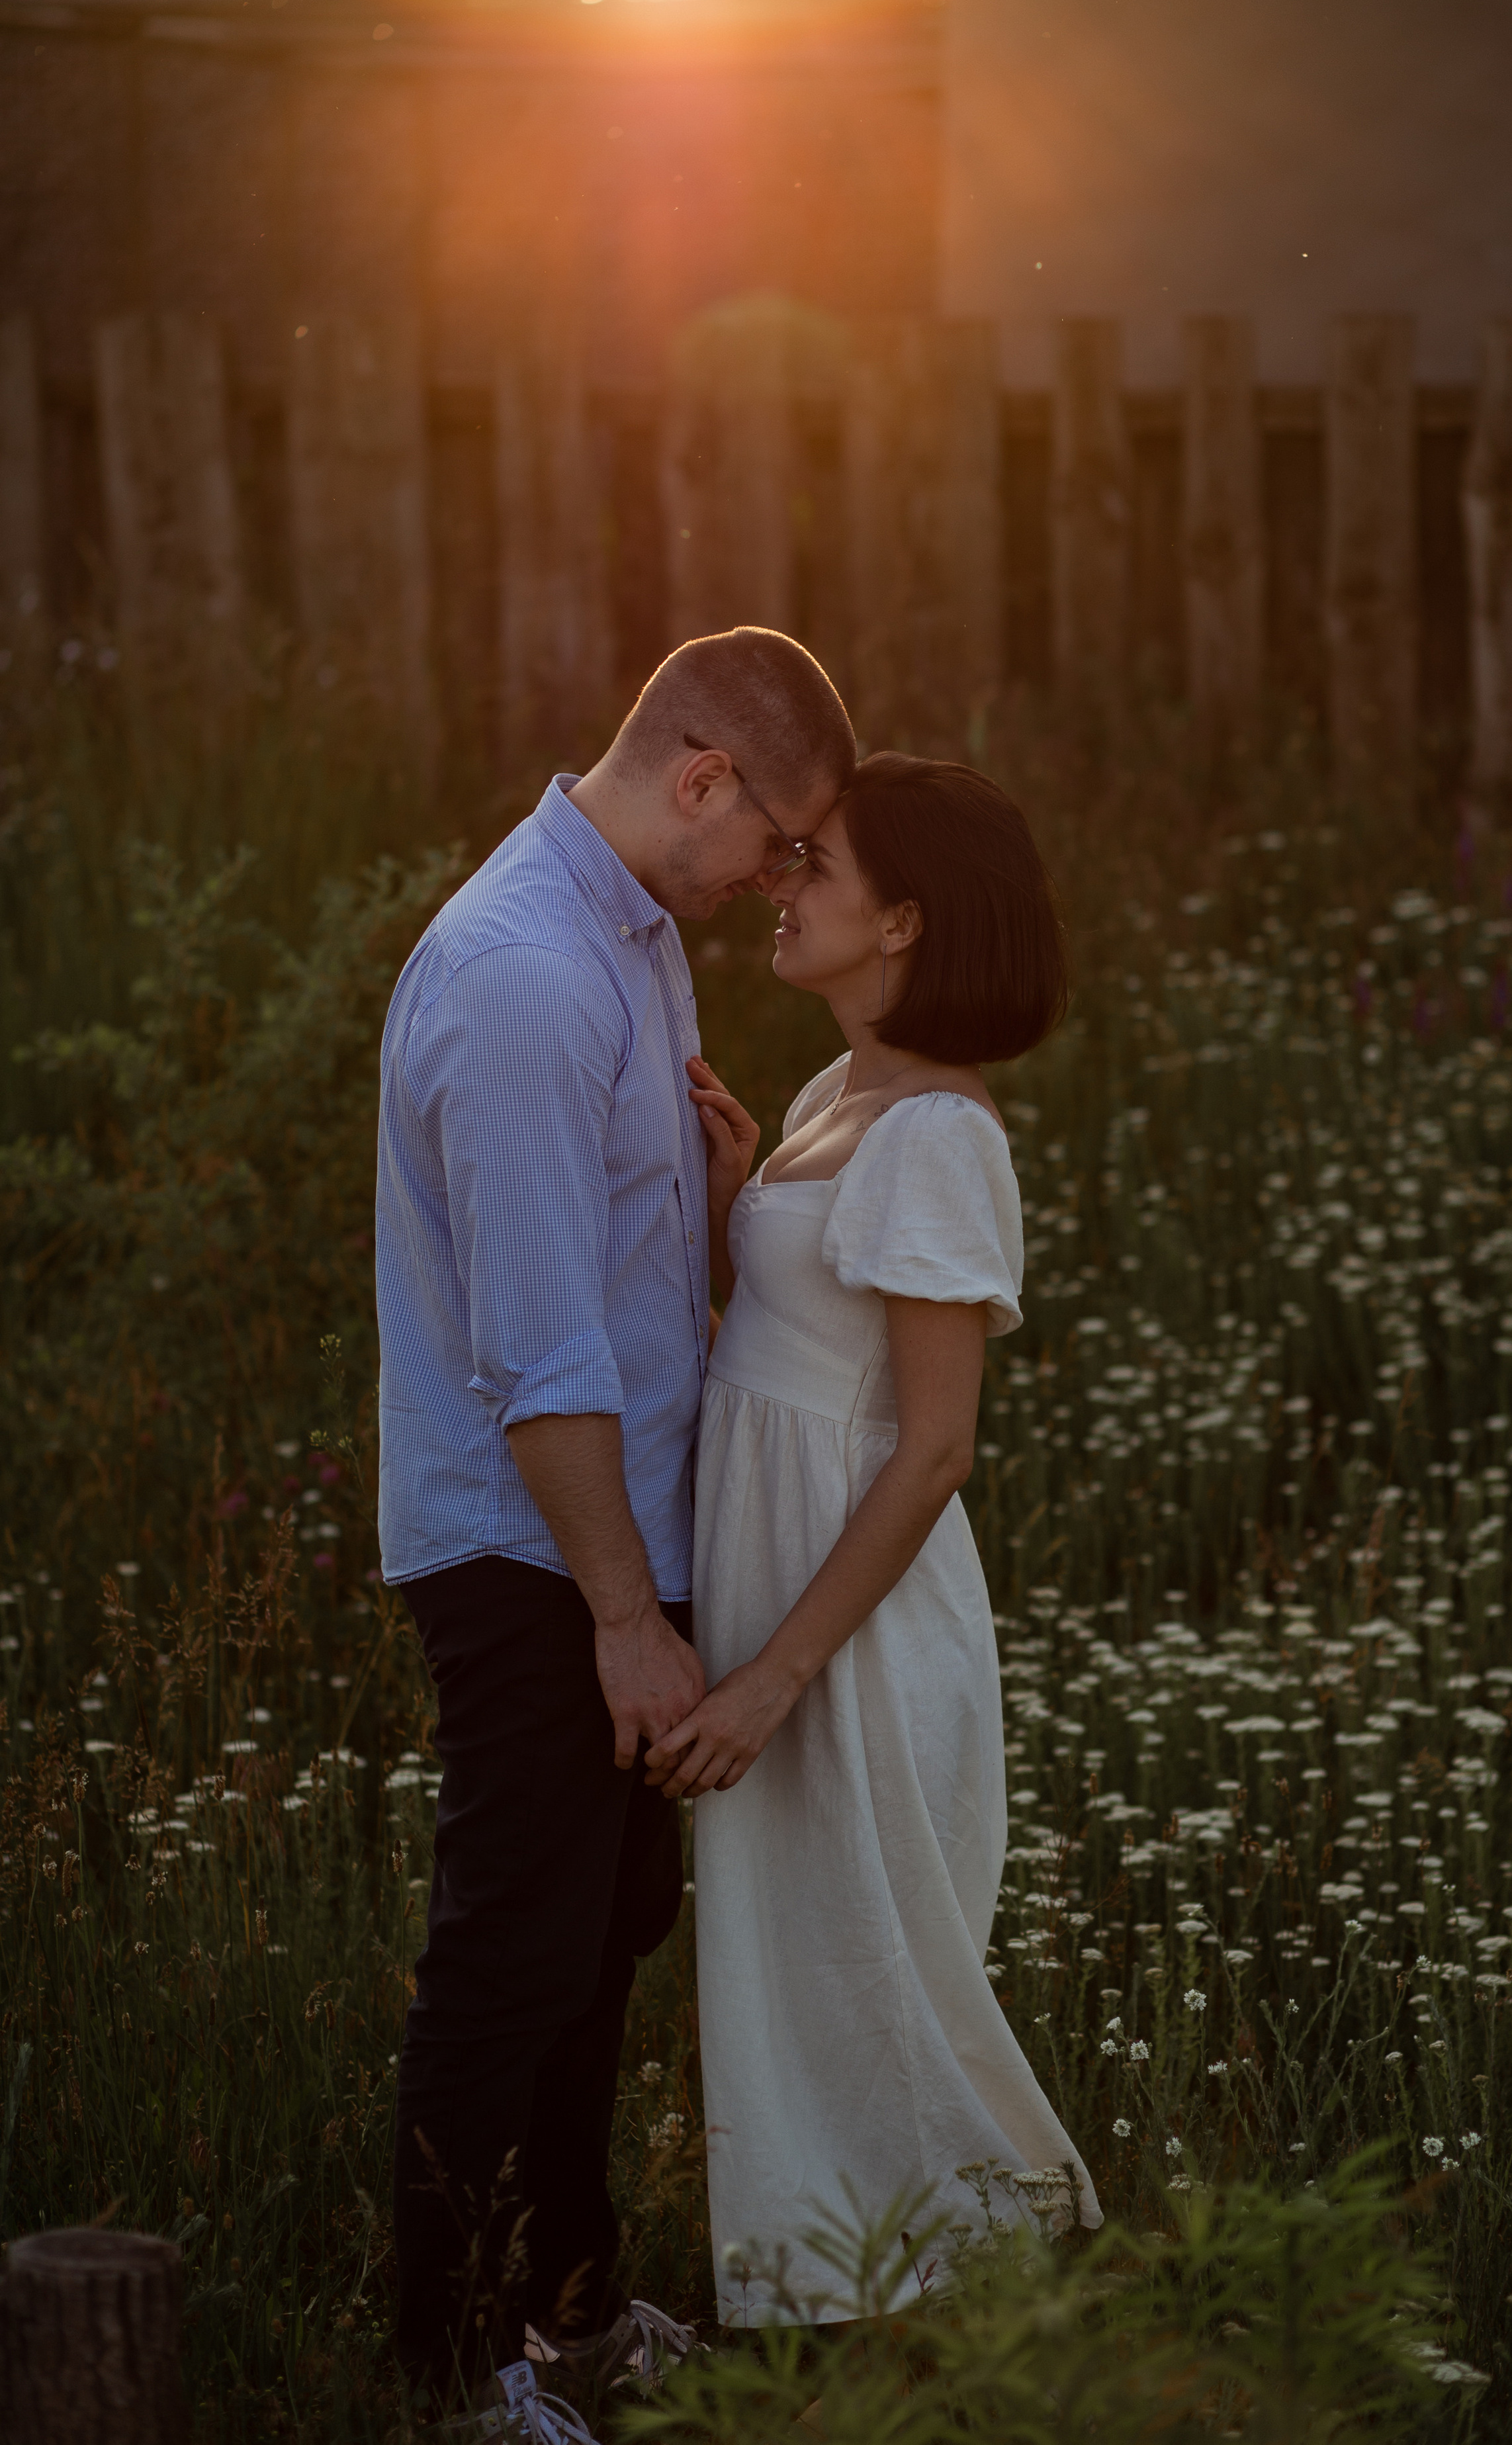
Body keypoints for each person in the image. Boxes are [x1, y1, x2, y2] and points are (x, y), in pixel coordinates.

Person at [375, 627, 857, 2403]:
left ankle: (569, 2320)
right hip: (531, 1556)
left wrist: (718, 1214)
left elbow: (625, 1290)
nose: (776, 881)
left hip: (616, 1544)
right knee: (510, 1960)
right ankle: (447, 2375)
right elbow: (540, 1354)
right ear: (701, 778)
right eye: (777, 841)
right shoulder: (521, 973)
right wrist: (622, 1616)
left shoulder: (635, 939)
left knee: (598, 1945)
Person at [645, 752, 1102, 2325]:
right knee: (797, 1952)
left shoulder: (936, 1137)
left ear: (902, 920)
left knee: (869, 1954)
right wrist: (736, 1202)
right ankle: (833, 2290)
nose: (779, 884)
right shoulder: (832, 1102)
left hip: (851, 1627)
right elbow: (791, 1363)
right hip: (778, 1582)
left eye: (815, 865)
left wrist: (773, 1676)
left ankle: (984, 2285)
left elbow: (932, 1446)